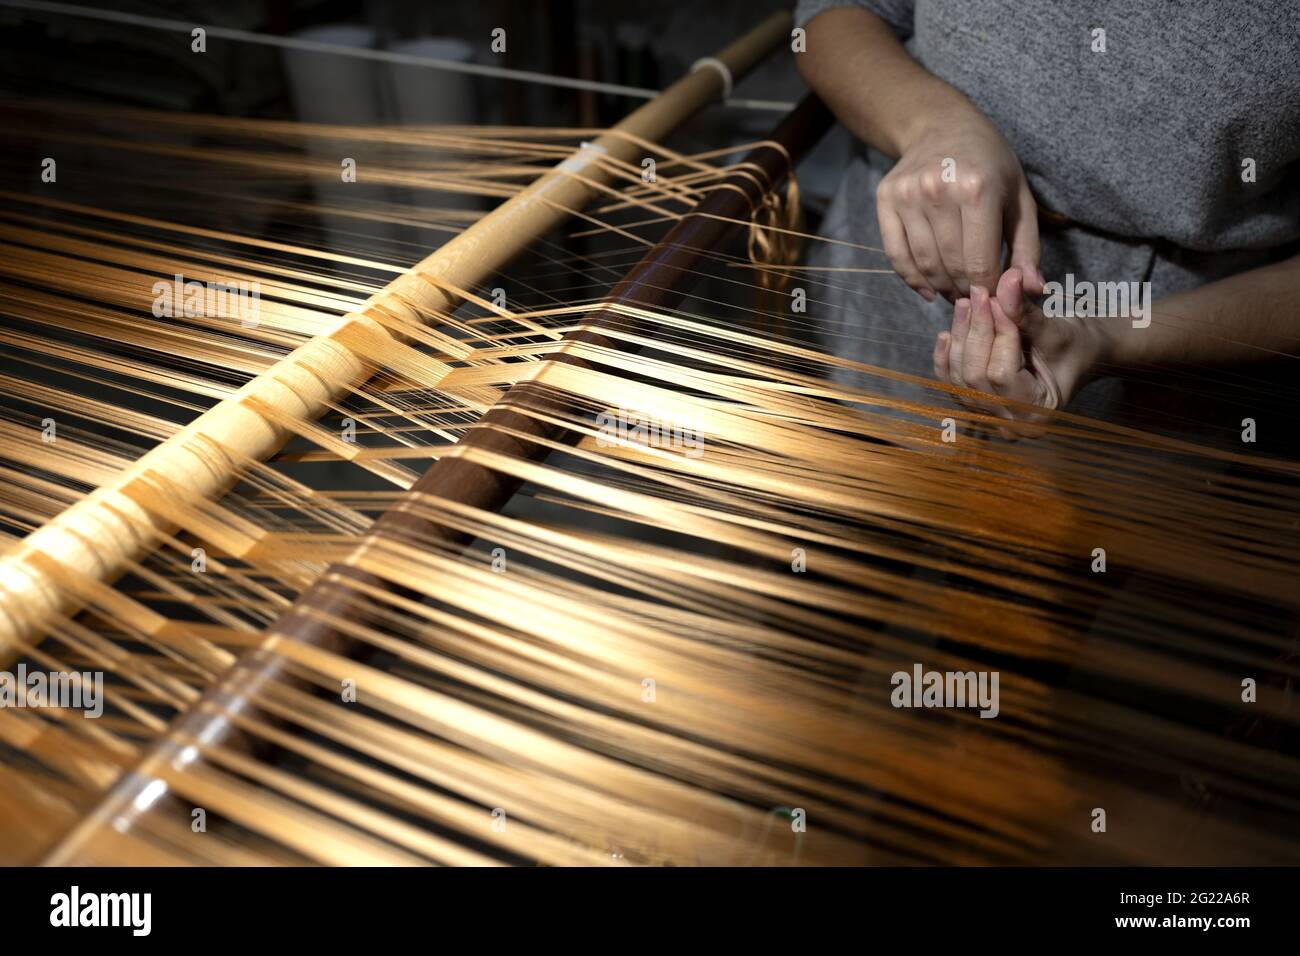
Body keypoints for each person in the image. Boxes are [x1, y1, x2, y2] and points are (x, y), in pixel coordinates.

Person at [793, 1, 1300, 442]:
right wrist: (933, 126)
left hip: (1153, 415)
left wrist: (1108, 341)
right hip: (862, 334)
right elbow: (831, 15)